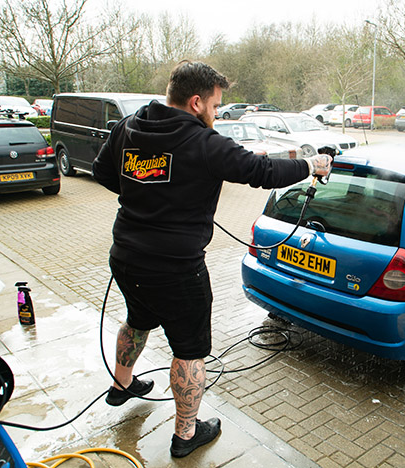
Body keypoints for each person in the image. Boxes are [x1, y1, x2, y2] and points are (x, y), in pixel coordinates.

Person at [92, 60, 331, 458]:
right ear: (197, 102)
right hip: (176, 268)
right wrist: (311, 165)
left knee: (137, 319)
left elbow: (103, 172)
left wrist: (145, 194)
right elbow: (261, 171)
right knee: (189, 350)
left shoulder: (130, 125)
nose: (217, 114)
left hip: (127, 257)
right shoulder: (203, 142)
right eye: (217, 107)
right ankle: (186, 434)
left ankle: (121, 385)